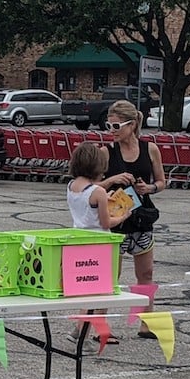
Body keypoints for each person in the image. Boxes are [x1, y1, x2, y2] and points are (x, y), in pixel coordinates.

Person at [101, 100, 166, 339]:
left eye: (117, 126)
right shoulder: (106, 152)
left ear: (133, 124)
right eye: (109, 125)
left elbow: (161, 181)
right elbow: (91, 185)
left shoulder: (150, 149)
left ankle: (146, 323)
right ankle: (101, 327)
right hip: (116, 221)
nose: (112, 131)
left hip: (141, 219)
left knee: (146, 273)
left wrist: (149, 188)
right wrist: (112, 179)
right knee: (110, 277)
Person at [65, 141, 131, 348]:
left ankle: (79, 330)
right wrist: (122, 217)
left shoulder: (72, 186)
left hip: (78, 238)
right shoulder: (98, 192)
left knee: (84, 287)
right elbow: (105, 222)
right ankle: (80, 332)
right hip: (99, 242)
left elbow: (87, 204)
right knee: (99, 290)